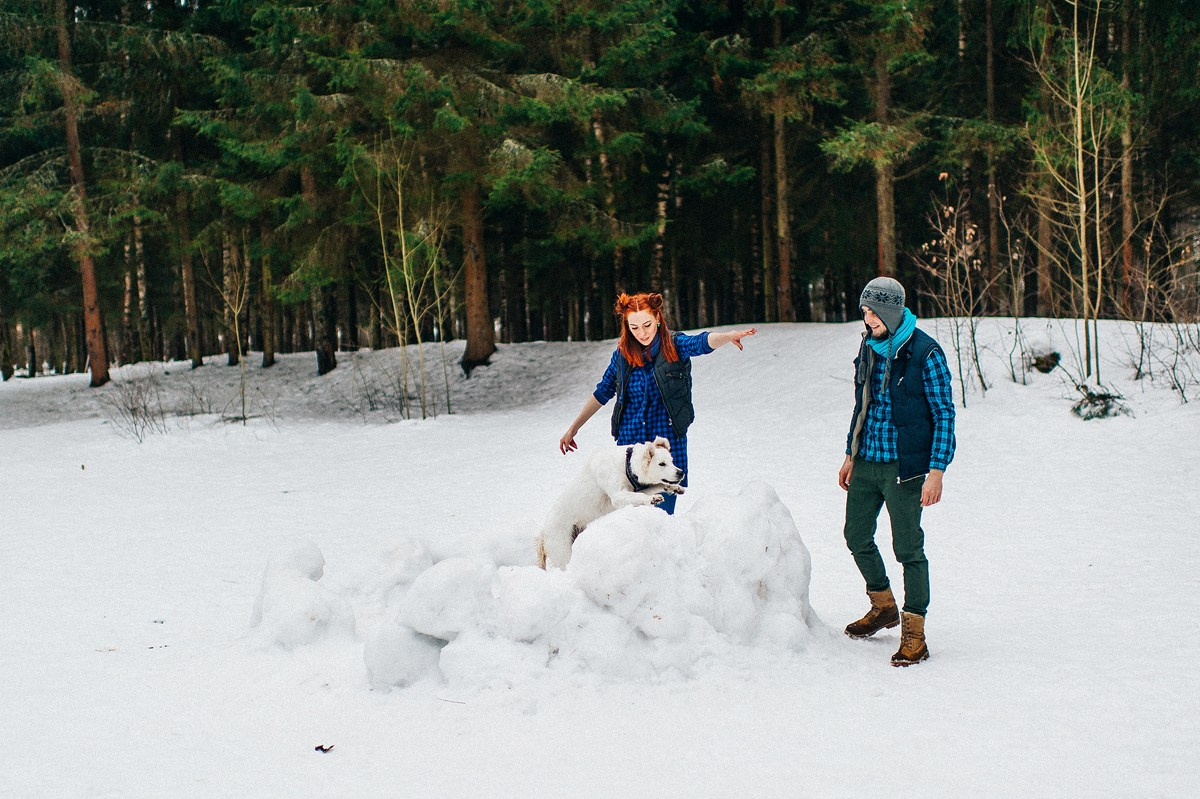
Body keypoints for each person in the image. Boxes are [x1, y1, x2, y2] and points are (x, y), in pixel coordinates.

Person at [838, 276, 955, 667]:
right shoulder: (869, 346)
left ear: (890, 310)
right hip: (868, 460)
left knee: (908, 549)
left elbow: (944, 415)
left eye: (872, 312)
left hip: (905, 469)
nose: (866, 318)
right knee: (856, 536)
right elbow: (863, 404)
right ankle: (883, 605)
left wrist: (936, 470)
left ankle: (914, 633)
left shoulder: (925, 353)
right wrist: (851, 454)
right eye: (864, 311)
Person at [559, 292, 756, 514]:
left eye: (647, 324)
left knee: (660, 521)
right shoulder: (622, 355)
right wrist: (573, 428)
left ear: (658, 318)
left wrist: (728, 336)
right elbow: (603, 391)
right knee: (630, 523)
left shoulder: (674, 345)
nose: (642, 333)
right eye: (634, 327)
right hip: (631, 452)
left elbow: (700, 342)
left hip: (667, 448)